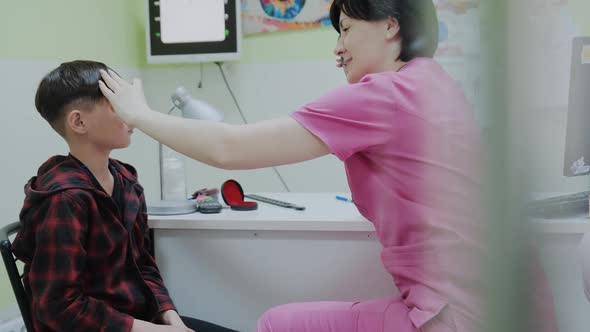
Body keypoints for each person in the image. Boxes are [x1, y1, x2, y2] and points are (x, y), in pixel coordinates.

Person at [98, 1, 559, 331]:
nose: (338, 47)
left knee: (277, 322)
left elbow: (230, 148)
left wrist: (141, 115)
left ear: (390, 26)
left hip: (458, 315)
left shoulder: (385, 96)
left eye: (346, 29)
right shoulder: (433, 84)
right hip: (514, 305)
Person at [12, 60, 238, 332]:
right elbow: (59, 308)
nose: (131, 115)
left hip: (137, 321)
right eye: (117, 105)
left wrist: (171, 320)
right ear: (79, 121)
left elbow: (142, 265)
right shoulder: (64, 199)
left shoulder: (126, 180)